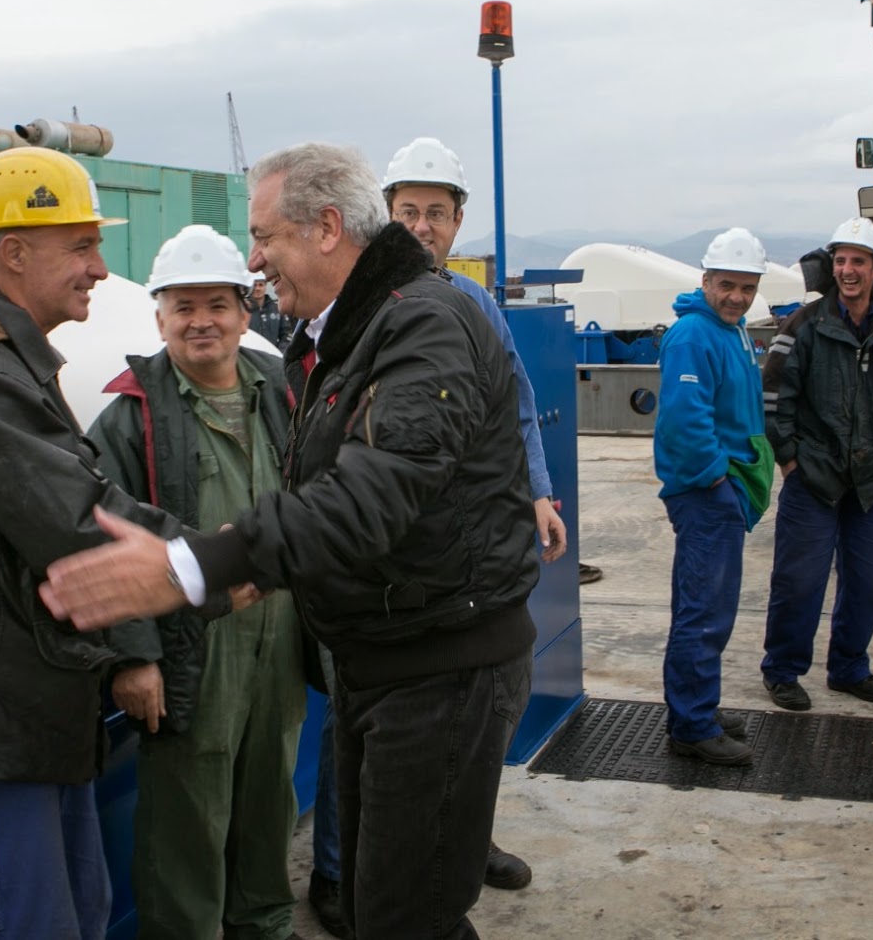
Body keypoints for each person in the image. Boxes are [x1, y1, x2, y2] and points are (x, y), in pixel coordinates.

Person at [42, 141, 539, 940]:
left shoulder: (421, 323)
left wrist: (200, 563)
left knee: (407, 917)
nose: (257, 258)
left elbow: (372, 494)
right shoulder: (354, 330)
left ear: (328, 228)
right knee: (393, 907)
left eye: (266, 236)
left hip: (440, 670)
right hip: (384, 664)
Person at [0, 147, 239, 939]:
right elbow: (80, 519)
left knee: (74, 915)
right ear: (13, 253)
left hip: (26, 713)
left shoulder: (5, 364)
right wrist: (220, 558)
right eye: (81, 246)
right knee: (24, 923)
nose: (101, 268)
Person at [289, 136, 561, 931]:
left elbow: (512, 403)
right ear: (380, 216)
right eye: (407, 210)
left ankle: (447, 854)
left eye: (435, 213)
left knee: (439, 756)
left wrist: (536, 490)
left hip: (437, 597)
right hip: (376, 595)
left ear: (457, 220)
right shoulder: (350, 315)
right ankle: (343, 872)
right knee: (364, 745)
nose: (422, 224)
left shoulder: (461, 308)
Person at [85, 225, 306, 940]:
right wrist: (133, 654)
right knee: (188, 819)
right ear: (158, 316)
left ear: (246, 311)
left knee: (270, 798)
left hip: (281, 641)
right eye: (183, 306)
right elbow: (103, 544)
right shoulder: (130, 416)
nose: (200, 320)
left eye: (217, 302)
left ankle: (265, 925)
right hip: (190, 650)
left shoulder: (284, 392)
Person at [760, 217, 873, 711]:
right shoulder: (804, 326)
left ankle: (850, 668)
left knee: (866, 581)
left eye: (858, 261)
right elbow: (774, 398)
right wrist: (789, 461)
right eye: (841, 261)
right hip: (814, 476)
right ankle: (783, 670)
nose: (848, 270)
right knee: (799, 581)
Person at [653, 227, 775, 767]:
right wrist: (715, 480)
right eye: (727, 285)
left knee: (710, 608)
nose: (737, 298)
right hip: (706, 495)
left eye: (747, 288)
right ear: (705, 280)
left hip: (723, 493)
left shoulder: (733, 331)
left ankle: (699, 705)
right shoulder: (692, 336)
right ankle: (692, 726)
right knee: (703, 611)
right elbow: (685, 419)